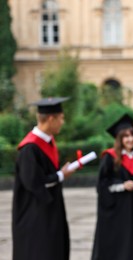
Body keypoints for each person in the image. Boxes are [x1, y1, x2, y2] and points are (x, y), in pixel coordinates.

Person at [12, 97, 76, 260]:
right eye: (61, 118)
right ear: (50, 119)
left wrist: (59, 175)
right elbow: (33, 183)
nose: (63, 122)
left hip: (50, 211)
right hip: (34, 215)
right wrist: (61, 175)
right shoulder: (30, 148)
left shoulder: (47, 143)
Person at [92, 114, 133, 260]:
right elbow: (102, 184)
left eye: (132, 135)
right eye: (125, 136)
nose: (130, 139)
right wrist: (123, 185)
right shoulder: (110, 157)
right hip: (116, 211)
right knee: (116, 243)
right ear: (119, 139)